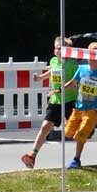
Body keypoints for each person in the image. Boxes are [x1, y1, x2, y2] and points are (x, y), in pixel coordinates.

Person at [23, 36, 78, 169]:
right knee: (45, 126)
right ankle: (33, 155)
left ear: (68, 51)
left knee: (74, 131)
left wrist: (59, 90)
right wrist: (40, 77)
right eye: (57, 48)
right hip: (56, 100)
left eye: (62, 48)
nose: (59, 51)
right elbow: (52, 72)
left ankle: (77, 158)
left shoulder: (72, 64)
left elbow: (74, 82)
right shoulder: (53, 61)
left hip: (70, 100)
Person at [61, 42, 97, 169]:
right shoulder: (81, 69)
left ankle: (76, 159)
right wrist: (59, 90)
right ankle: (93, 124)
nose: (91, 59)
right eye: (90, 55)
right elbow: (72, 82)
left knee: (81, 134)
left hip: (92, 109)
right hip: (78, 108)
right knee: (68, 133)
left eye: (95, 57)